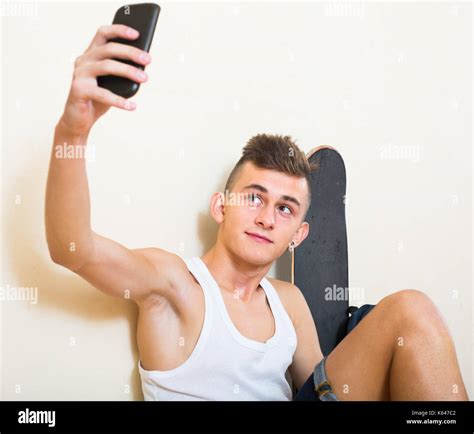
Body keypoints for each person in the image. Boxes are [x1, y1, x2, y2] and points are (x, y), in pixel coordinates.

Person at [45, 24, 469, 401]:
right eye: (254, 197)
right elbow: (73, 249)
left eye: (285, 209)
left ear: (298, 236)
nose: (267, 217)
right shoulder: (177, 286)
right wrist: (73, 130)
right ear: (220, 206)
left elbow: (324, 390)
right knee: (405, 311)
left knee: (409, 314)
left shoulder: (289, 301)